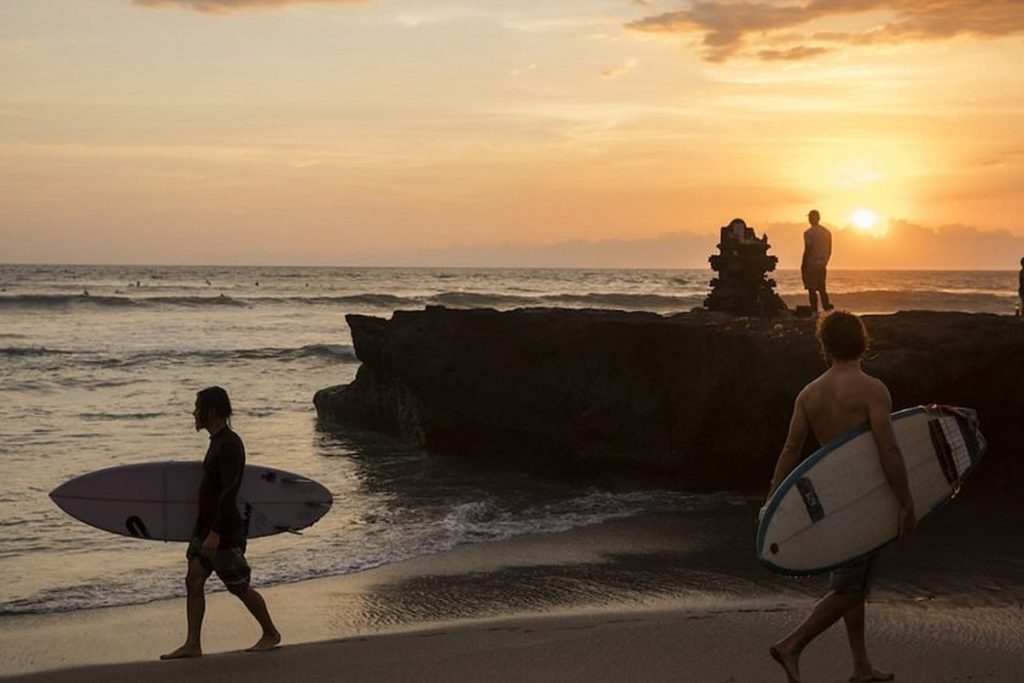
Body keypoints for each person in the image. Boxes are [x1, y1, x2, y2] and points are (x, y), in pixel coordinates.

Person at [765, 311, 915, 683]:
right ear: (862, 342)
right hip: (864, 498)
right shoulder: (872, 390)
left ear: (825, 345)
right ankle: (791, 645)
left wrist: (772, 502)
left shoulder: (809, 394)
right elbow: (889, 450)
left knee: (852, 581)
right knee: (850, 589)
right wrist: (906, 501)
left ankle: (861, 666)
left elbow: (790, 450)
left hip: (829, 497)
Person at [162, 386, 280, 659]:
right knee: (193, 580)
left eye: (198, 407)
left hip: (223, 531)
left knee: (238, 586)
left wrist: (215, 532)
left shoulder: (229, 444)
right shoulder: (216, 441)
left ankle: (271, 632)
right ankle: (193, 644)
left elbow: (230, 491)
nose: (194, 413)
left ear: (212, 410)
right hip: (204, 528)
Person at [801, 210, 833, 313]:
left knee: (812, 289)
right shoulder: (827, 233)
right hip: (822, 264)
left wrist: (803, 264)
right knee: (822, 288)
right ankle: (826, 309)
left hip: (811, 263)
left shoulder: (808, 233)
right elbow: (829, 250)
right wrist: (825, 261)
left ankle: (814, 311)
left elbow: (808, 249)